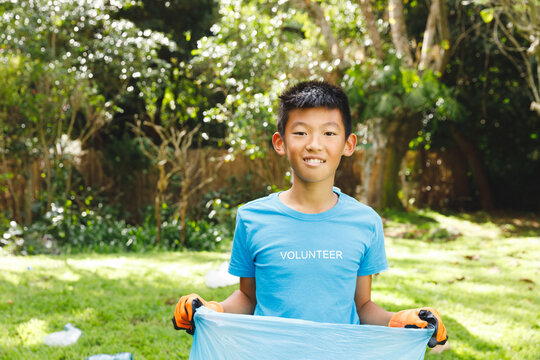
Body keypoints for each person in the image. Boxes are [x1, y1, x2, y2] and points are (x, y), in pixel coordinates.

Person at [172, 80, 447, 348]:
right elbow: (247, 298)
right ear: (280, 143)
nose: (314, 144)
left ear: (348, 144)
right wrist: (210, 309)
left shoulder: (366, 222)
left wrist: (400, 320)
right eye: (301, 132)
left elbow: (362, 306)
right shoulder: (251, 218)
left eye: (329, 133)